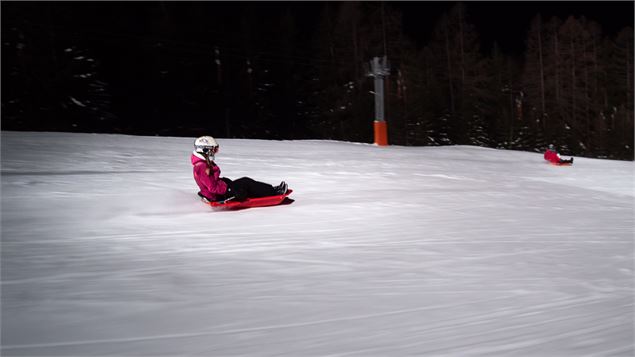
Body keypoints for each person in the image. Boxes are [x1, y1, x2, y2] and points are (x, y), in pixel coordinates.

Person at [191, 136, 288, 203]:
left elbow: (210, 181)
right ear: (205, 150)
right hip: (218, 195)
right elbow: (212, 187)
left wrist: (224, 182)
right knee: (246, 183)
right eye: (213, 149)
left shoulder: (202, 164)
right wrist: (230, 190)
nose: (214, 152)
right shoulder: (202, 166)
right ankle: (274, 192)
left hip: (219, 191)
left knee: (244, 183)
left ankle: (270, 190)